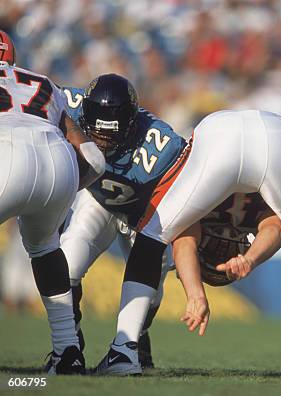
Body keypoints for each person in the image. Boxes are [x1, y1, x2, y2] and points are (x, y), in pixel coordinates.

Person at [133, 109, 281, 380]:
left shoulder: (196, 226)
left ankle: (124, 350)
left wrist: (195, 294)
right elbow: (276, 226)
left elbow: (184, 240)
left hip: (227, 137)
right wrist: (249, 260)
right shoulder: (222, 229)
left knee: (155, 233)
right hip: (274, 135)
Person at [59, 74, 186, 375]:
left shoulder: (163, 144)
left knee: (151, 289)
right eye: (96, 136)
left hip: (146, 209)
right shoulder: (65, 102)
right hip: (98, 199)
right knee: (67, 265)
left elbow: (183, 194)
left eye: (109, 137)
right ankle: (69, 341)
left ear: (130, 124)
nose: (101, 144)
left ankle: (136, 337)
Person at [0, 30, 105, 374]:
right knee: (45, 250)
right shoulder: (42, 82)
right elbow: (94, 158)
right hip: (59, 161)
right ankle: (67, 352)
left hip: (5, 153)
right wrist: (67, 188)